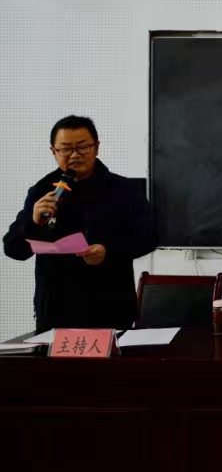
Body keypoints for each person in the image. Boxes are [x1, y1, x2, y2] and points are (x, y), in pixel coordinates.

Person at [3, 116, 156, 332]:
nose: (75, 155)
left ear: (96, 147)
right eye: (66, 149)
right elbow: (13, 249)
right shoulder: (42, 190)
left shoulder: (123, 190)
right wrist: (33, 222)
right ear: (53, 151)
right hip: (56, 310)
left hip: (110, 306)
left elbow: (149, 237)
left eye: (83, 147)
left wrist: (108, 251)